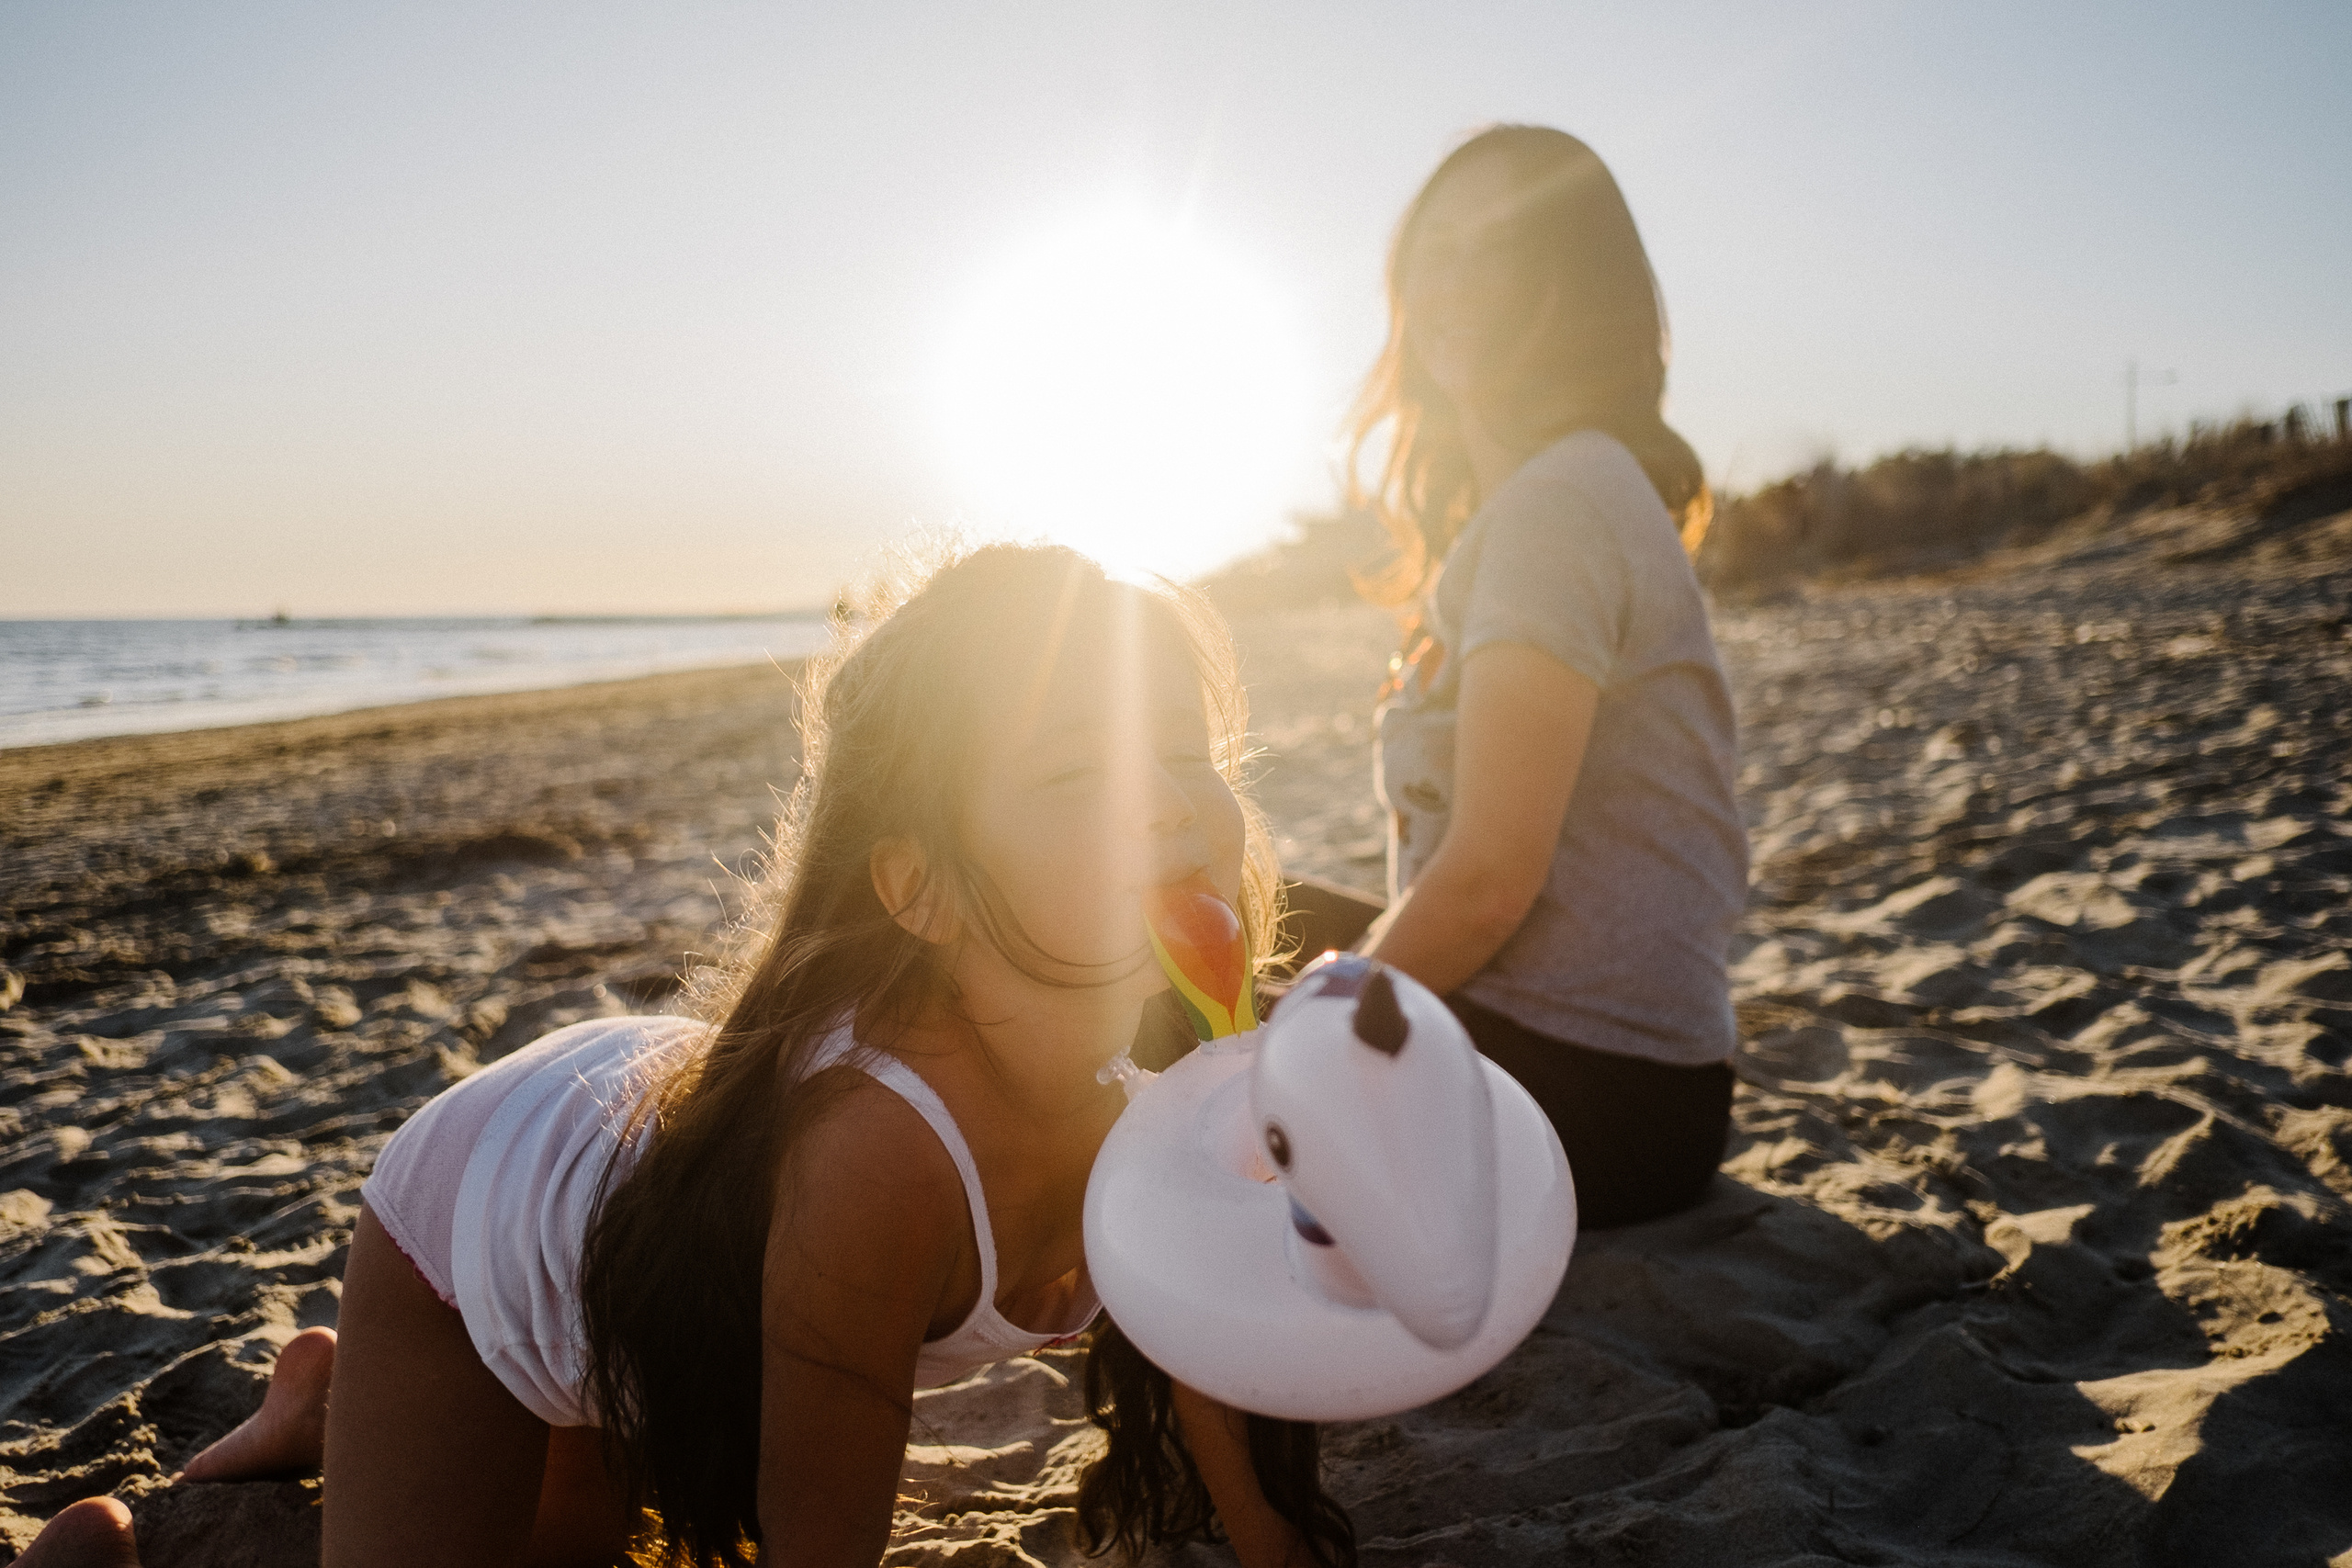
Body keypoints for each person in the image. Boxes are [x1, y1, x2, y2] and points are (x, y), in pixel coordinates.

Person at [18, 545, 1354, 1568]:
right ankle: (212, 1494)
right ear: (920, 886)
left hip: (661, 1259)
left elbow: (1210, 1344)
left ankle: (328, 1404)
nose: (1173, 798)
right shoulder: (879, 1156)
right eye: (1080, 775)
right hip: (477, 1226)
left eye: (1191, 752)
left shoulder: (1201, 1059)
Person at [1297, 125, 1749, 1231]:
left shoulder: (1559, 505)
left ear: (1572, 280)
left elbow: (1492, 877)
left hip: (1602, 1093)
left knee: (1151, 990)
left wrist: (1306, 1033)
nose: (1449, 281)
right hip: (1606, 1065)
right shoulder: (1533, 504)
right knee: (1237, 911)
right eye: (1432, 252)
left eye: (1492, 248)